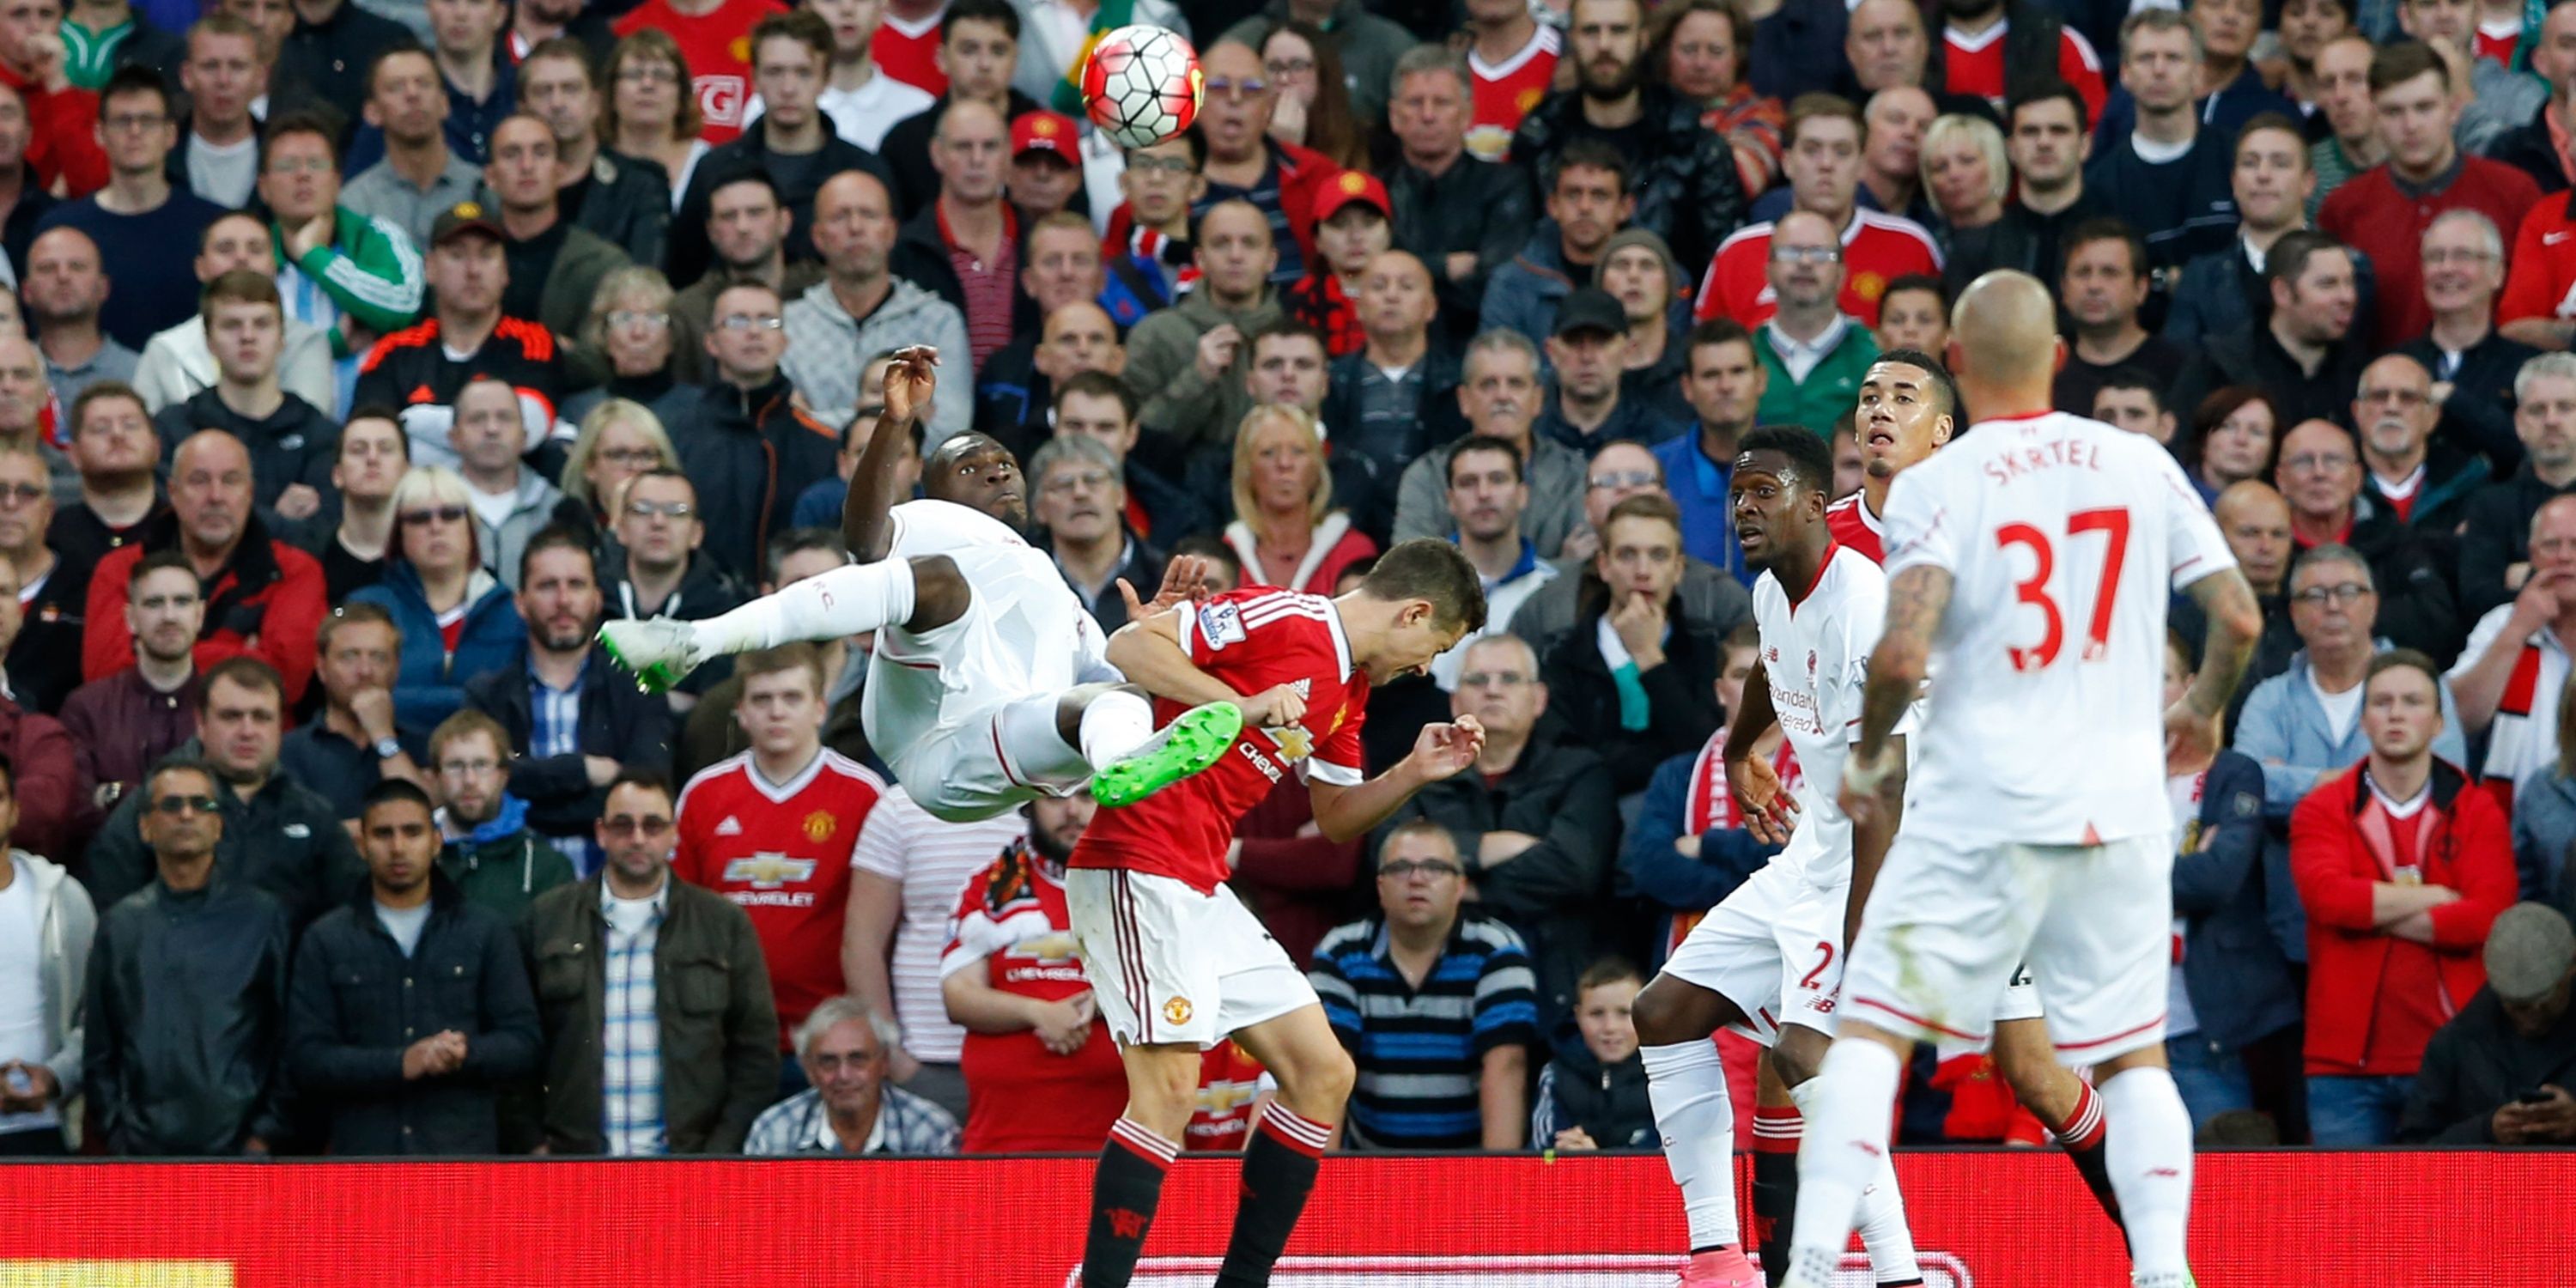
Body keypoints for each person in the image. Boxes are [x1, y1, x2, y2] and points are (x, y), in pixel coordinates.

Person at [1772, 270, 2262, 1288]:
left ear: (1955, 375)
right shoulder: (2127, 462)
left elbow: (1900, 658)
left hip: (1964, 812)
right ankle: (2162, 1263)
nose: (1877, 412)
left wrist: (1867, 762)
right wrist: (2203, 708)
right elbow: (2241, 617)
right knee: (2097, 1062)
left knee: (1871, 1037)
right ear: (2056, 355)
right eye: (1868, 397)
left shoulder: (1956, 488)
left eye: (1901, 394)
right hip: (2091, 808)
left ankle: (1818, 1260)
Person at [1057, 539, 1487, 1285]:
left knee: (1322, 1073)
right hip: (1135, 857)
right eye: (1434, 647)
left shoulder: (1351, 692)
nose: (1424, 669)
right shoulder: (1285, 616)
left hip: (1198, 881)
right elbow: (1131, 645)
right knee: (1168, 1093)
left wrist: (1415, 771)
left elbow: (1339, 818)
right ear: (1414, 612)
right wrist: (1242, 702)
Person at [606, 350, 1240, 829]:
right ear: (934, 489)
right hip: (931, 734)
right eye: (971, 465)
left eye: (1005, 463)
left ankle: (1129, 769)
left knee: (1114, 696)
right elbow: (864, 539)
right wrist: (892, 423)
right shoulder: (934, 524)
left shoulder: (1055, 589)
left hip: (1005, 749)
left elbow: (1119, 678)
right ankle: (693, 641)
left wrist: (1149, 634)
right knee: (937, 580)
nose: (995, 467)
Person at [1631, 424, 1919, 1288]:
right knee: (1663, 1011)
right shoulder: (1769, 591)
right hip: (1822, 846)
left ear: (1816, 505)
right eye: (1737, 493)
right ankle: (1719, 1254)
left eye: (1767, 492)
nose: (1746, 508)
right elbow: (1767, 666)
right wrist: (1739, 750)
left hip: (1892, 846)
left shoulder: (1864, 600)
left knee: (1805, 1055)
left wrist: (1864, 933)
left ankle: (1900, 1272)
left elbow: (1890, 784)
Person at [2288, 650, 2517, 1145]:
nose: (2396, 713)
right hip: (2342, 1066)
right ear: (2363, 720)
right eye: (2382, 702)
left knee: (2457, 1219)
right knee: (2346, 1221)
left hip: (2457, 1058)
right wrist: (2437, 895)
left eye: (2412, 702)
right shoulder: (2321, 808)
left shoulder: (2477, 809)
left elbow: (2487, 919)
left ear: (2438, 722)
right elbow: (2328, 900)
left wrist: (2371, 911)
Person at [520, 769, 781, 1154]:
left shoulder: (722, 923)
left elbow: (756, 1053)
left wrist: (719, 1154)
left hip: (689, 1162)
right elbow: (520, 1044)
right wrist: (532, 1143)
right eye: (623, 825)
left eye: (653, 825)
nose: (638, 838)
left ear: (674, 834)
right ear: (601, 832)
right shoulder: (546, 918)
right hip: (574, 1161)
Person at [285, 778, 540, 1155]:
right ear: (361, 844)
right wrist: (400, 1063)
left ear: (437, 841)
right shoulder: (326, 939)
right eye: (383, 834)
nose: (398, 847)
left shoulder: (485, 931)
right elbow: (307, 1058)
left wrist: (463, 1055)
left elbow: (524, 1043)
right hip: (365, 1161)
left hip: (460, 1161)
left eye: (413, 832)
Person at [673, 642, 887, 1057]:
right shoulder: (703, 794)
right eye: (762, 699)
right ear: (740, 710)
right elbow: (681, 913)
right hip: (725, 1035)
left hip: (830, 1037)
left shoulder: (864, 795)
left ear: (820, 708)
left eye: (792, 698)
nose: (776, 711)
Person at [1391, 632, 1616, 1022]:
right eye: (1477, 681)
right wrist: (1491, 846)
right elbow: (1386, 856)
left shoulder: (1580, 771)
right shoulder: (1420, 772)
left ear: (1539, 699)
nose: (1492, 691)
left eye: (1509, 679)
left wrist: (1461, 882)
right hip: (1442, 974)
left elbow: (1575, 870)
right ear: (1455, 701)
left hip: (1552, 979)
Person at [82, 756, 294, 1155]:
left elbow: (288, 1038)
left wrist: (265, 1135)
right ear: (145, 826)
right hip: (141, 1155)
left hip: (240, 1153)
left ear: (219, 825)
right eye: (171, 805)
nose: (187, 815)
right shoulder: (120, 925)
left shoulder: (264, 918)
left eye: (202, 805)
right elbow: (100, 1049)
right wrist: (116, 1133)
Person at [1306, 820, 1540, 1151]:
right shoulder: (1341, 951)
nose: (1417, 879)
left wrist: (1496, 1184)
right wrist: (1324, 1187)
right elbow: (1325, 1067)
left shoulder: (1497, 949)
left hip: (1468, 1163)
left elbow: (1506, 1067)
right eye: (1401, 868)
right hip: (1369, 1164)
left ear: (1460, 886)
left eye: (1434, 867)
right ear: (1381, 885)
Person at [462, 529, 677, 865]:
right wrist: (580, 770)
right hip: (514, 883)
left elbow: (646, 795)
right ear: (521, 603)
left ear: (596, 598)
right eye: (548, 586)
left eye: (576, 585)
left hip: (610, 882)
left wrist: (529, 795)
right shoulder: (488, 695)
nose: (563, 600)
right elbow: (481, 793)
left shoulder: (639, 689)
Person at [938, 791, 1128, 1151]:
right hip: (1000, 1140)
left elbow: (1182, 992)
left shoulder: (1145, 886)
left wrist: (1102, 1004)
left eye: (1087, 795)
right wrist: (1039, 1013)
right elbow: (958, 997)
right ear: (1028, 804)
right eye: (1055, 798)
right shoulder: (990, 885)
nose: (1072, 810)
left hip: (1121, 1143)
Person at [80, 429, 328, 705]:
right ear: (173, 492)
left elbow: (285, 680)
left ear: (250, 493)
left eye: (231, 481)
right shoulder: (119, 570)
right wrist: (244, 655)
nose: (216, 496)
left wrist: (159, 655)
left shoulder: (296, 571)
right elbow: (104, 678)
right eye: (199, 481)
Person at [2321, 40, 2541, 346]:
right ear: (2374, 114)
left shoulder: (2514, 192)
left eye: (2424, 108)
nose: (2410, 125)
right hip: (2383, 384)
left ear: (2453, 109)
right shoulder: (2344, 207)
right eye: (2393, 111)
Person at [665, 11, 900, 289]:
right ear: (754, 78)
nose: (788, 88)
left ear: (825, 79)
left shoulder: (862, 171)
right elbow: (684, 272)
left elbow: (890, 269)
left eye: (803, 73)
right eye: (775, 72)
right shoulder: (715, 168)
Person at [1506, 0, 1745, 272]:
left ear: (1642, 39)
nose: (1604, 45)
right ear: (1571, 39)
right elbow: (1515, 253)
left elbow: (1722, 265)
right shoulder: (1538, 138)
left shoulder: (1694, 146)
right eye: (1591, 31)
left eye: (1618, 31)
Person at [351, 201, 568, 475]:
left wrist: (412, 421)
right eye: (457, 255)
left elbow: (525, 432)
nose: (473, 270)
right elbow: (373, 447)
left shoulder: (533, 342)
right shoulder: (393, 351)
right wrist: (484, 438)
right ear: (429, 268)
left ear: (505, 271)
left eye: (487, 255)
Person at [1696, 94, 1941, 330]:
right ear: (1787, 162)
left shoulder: (1911, 247)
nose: (1826, 164)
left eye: (1842, 151)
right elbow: (1708, 353)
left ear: (1861, 165)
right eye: (1812, 150)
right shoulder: (1737, 253)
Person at [659, 282, 841, 582]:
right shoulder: (674, 433)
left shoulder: (820, 443)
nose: (754, 332)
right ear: (711, 342)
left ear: (784, 341)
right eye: (738, 320)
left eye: (768, 320)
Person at [33, 66, 224, 352]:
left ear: (171, 134)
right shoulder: (62, 230)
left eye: (147, 121)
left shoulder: (211, 225)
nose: (135, 132)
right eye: (123, 121)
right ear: (99, 133)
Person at [780, 170, 971, 439]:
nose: (855, 228)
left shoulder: (938, 322)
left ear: (891, 232)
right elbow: (785, 432)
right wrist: (899, 414)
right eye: (840, 216)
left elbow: (949, 430)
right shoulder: (789, 324)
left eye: (868, 215)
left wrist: (817, 419)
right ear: (818, 236)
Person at [346, 465, 525, 747]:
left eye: (451, 514)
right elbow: (356, 700)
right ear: (397, 533)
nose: (436, 527)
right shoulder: (367, 607)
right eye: (419, 518)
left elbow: (516, 705)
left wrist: (397, 704)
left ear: (471, 528)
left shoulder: (513, 611)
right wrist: (474, 701)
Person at [255, 111, 427, 387]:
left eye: (316, 164)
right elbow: (237, 353)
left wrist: (314, 257)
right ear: (263, 187)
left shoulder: (377, 237)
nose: (303, 175)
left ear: (337, 182)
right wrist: (329, 346)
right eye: (288, 166)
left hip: (377, 421)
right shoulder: (249, 254)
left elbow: (403, 302)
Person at [149, 271, 339, 519]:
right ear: (209, 342)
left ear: (282, 339)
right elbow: (173, 523)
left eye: (262, 324)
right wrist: (277, 518)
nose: (248, 336)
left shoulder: (321, 434)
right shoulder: (173, 429)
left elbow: (324, 534)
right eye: (232, 325)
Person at [1382, 46, 1536, 346]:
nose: (1427, 115)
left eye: (1441, 103)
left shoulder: (1505, 185)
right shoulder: (1375, 191)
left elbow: (1494, 285)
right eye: (1415, 103)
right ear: (1394, 116)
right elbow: (1363, 279)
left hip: (1476, 344)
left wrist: (1408, 271)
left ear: (1467, 115)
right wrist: (1444, 267)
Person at [2399, 902, 2576, 1142]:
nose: (2533, 1015)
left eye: (2545, 1000)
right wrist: (2486, 1131)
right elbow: (2413, 1155)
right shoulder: (2454, 1044)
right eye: (2518, 1006)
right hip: (2488, 1178)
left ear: (2571, 970)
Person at [1121, 200, 1284, 459]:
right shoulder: (1154, 335)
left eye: (1250, 244)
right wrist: (1198, 377)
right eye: (1221, 243)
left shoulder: (1295, 337)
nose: (1235, 255)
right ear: (1200, 259)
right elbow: (1132, 440)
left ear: (1271, 259)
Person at [132, 212, 339, 416]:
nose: (241, 258)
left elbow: (309, 425)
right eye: (225, 249)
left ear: (274, 265)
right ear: (200, 267)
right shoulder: (166, 349)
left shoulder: (307, 341)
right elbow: (144, 437)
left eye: (256, 249)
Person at [2171, 232, 2367, 432]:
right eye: (2328, 284)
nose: (2348, 297)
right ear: (2282, 292)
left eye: (2350, 282)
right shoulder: (2220, 368)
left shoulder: (2364, 373)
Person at [2163, 116, 2325, 349]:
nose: (2263, 175)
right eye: (2250, 163)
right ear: (2234, 182)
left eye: (2280, 163)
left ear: (2308, 182)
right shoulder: (2201, 279)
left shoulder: (2350, 268)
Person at [0, 756, 93, 1156]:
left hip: (42, 1127)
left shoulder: (63, 899)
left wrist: (56, 1076)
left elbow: (98, 1015)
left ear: (14, 809)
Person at [887, 100, 1024, 367]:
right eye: (963, 147)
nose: (977, 159)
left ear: (1008, 155)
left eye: (990, 146)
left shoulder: (1034, 243)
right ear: (937, 154)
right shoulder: (904, 249)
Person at [58, 550, 196, 805]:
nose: (169, 616)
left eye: (182, 602)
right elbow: (77, 812)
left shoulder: (224, 706)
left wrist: (116, 794)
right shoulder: (87, 708)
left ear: (200, 615)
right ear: (130, 618)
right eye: (154, 603)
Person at [516, 39, 669, 268]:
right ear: (523, 108)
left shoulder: (640, 187)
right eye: (543, 91)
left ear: (596, 102)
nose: (557, 103)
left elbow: (646, 278)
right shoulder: (502, 187)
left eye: (571, 89)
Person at [744, 993, 962, 1154]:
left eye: (858, 1059)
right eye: (828, 1062)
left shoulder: (931, 1130)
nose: (844, 1075)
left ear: (884, 1062)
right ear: (809, 1070)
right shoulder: (774, 1130)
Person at [482, 114, 632, 345]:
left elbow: (608, 357)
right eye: (512, 154)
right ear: (490, 177)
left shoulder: (601, 263)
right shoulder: (467, 259)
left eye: (540, 153)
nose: (527, 166)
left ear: (560, 171)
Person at [275, 600, 434, 820]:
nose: (365, 671)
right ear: (321, 667)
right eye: (349, 656)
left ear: (396, 668)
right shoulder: (289, 752)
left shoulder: (423, 748)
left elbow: (423, 822)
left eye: (378, 657)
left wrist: (384, 738)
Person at [1943, 83, 2106, 296]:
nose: (2044, 142)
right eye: (2030, 132)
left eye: (2058, 131)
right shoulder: (1975, 247)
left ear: (2084, 146)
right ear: (2011, 149)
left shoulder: (2118, 242)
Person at [876, 0, 1032, 219]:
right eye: (969, 50)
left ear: (1015, 59)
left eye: (998, 51)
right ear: (941, 58)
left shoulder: (1042, 134)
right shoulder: (904, 142)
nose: (984, 64)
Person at [670, 170, 819, 386]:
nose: (743, 227)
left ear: (784, 221)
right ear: (711, 231)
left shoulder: (822, 292)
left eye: (756, 213)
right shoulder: (687, 311)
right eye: (728, 216)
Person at [423, 708, 572, 923]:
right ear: (435, 777)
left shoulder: (545, 866)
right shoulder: (415, 856)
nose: (469, 780)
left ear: (503, 775)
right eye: (455, 766)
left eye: (481, 765)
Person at [601, 469, 751, 673]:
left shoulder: (723, 614)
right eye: (643, 509)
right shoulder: (591, 601)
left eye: (676, 512)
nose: (658, 522)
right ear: (620, 529)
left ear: (696, 534)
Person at [1748, 210, 1880, 436]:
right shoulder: (1745, 356)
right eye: (1791, 252)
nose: (1805, 263)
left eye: (1821, 255)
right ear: (1767, 271)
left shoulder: (1874, 356)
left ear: (1842, 274)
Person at [1220, 404, 1376, 594]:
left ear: (1317, 468)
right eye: (1268, 452)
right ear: (1246, 469)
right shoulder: (1226, 557)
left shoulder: (1352, 552)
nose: (1285, 463)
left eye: (1298, 451)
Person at [341, 48, 486, 252]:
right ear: (372, 112)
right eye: (396, 87)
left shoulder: (480, 187)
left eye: (424, 84)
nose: (412, 94)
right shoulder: (355, 203)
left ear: (444, 103)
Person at [1654, 320, 1762, 581]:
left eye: (1737, 371)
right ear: (1687, 388)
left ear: (1760, 381)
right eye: (1711, 375)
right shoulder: (1656, 470)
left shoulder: (1797, 469)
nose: (1725, 386)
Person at [1033, 435, 1163, 635]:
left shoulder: (1162, 578)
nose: (1080, 493)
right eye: (1064, 484)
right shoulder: (1025, 582)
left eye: (1093, 480)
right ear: (1039, 508)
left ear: (1121, 496)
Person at [444, 375, 563, 589]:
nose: (492, 429)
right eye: (477, 419)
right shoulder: (433, 508)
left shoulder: (558, 510)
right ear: (454, 437)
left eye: (505, 418)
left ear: (525, 436)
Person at [2355, 352, 2491, 539]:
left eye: (2408, 398)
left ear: (2433, 416)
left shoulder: (2468, 481)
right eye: (2379, 397)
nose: (2392, 408)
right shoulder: (2331, 483)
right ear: (2357, 412)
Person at [2054, 221, 2184, 416]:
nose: (2094, 285)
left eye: (2109, 273)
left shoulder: (2180, 369)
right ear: (2064, 288)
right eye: (2083, 273)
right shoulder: (2044, 373)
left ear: (2141, 288)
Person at [1529, 957, 1651, 1151]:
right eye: (1596, 1014)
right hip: (1573, 1179)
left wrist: (1599, 1162)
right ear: (1577, 1016)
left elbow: (1671, 1150)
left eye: (1624, 1013)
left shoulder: (1662, 1074)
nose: (1610, 1027)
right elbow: (1542, 1151)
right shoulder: (1555, 1075)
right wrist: (1566, 1151)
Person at [48, 373, 161, 572]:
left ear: (156, 447)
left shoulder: (182, 529)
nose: (118, 435)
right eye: (100, 428)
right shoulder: (50, 536)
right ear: (74, 455)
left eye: (130, 425)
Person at [23, 226, 137, 406]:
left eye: (77, 267)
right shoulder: (10, 375)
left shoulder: (137, 373)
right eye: (47, 268)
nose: (63, 276)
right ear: (26, 291)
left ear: (103, 287)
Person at [599, 31, 711, 210]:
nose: (647, 85)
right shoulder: (592, 164)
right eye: (634, 75)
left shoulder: (709, 165)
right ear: (612, 92)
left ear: (682, 95)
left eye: (661, 75)